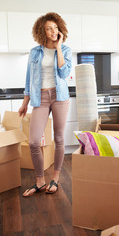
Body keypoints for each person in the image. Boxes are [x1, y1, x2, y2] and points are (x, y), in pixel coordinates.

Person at [18, 12, 72, 197]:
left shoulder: (65, 50)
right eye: (49, 28)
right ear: (42, 31)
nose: (53, 31)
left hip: (60, 97)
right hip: (39, 97)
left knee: (58, 139)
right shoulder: (35, 52)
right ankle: (40, 181)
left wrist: (58, 48)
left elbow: (64, 74)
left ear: (60, 29)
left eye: (55, 27)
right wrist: (25, 102)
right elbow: (29, 79)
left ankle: (55, 178)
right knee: (33, 141)